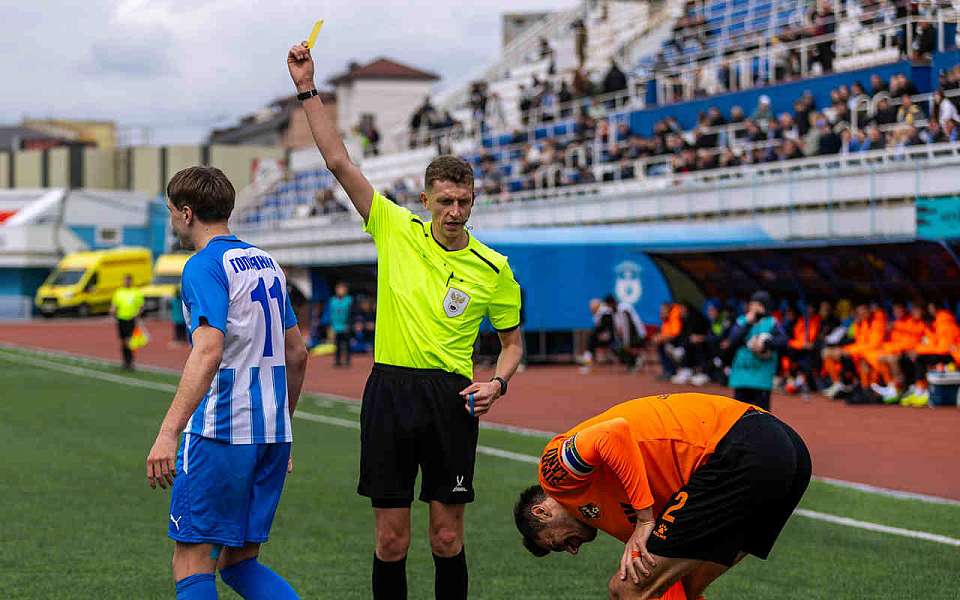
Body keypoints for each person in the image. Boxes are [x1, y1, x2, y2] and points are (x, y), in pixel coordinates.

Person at [288, 42, 524, 600]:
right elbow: (339, 161)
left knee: (446, 537)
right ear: (425, 199)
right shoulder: (394, 228)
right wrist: (307, 88)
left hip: (451, 398)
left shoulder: (494, 267)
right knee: (391, 540)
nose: (455, 211)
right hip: (391, 390)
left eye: (464, 201)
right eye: (445, 201)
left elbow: (513, 343)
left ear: (473, 200)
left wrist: (497, 382)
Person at [145, 166, 308, 599]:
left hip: (222, 431)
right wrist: (282, 429)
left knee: (192, 561)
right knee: (239, 562)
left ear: (185, 212)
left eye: (171, 212)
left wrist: (167, 432)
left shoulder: (203, 265)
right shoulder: (269, 265)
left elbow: (208, 349)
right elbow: (298, 354)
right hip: (271, 435)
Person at [514, 393, 810, 600]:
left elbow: (611, 434)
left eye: (555, 544)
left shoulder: (554, 476)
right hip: (785, 452)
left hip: (741, 445)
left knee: (626, 589)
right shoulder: (610, 517)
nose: (572, 550)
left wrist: (645, 520)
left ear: (542, 512)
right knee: (682, 587)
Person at [726, 291, 788, 411]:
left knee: (762, 413)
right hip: (742, 374)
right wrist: (747, 324)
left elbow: (783, 341)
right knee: (739, 413)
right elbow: (732, 340)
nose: (754, 308)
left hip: (762, 376)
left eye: (758, 305)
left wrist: (765, 344)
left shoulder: (772, 322)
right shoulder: (742, 321)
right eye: (752, 304)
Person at [109, 274, 144, 370]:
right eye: (125, 280)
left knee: (130, 341)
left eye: (128, 280)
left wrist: (137, 314)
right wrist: (112, 310)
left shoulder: (136, 292)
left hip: (131, 319)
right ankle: (125, 361)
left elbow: (141, 306)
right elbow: (114, 305)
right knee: (123, 341)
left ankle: (130, 361)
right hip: (121, 319)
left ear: (131, 281)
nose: (127, 282)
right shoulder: (119, 292)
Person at [329, 282, 353, 367]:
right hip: (336, 327)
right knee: (337, 345)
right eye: (338, 289)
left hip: (345, 326)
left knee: (346, 344)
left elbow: (351, 314)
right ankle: (338, 361)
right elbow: (331, 314)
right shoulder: (332, 301)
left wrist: (349, 324)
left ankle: (347, 360)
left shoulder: (349, 300)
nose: (340, 291)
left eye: (342, 289)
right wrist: (331, 327)